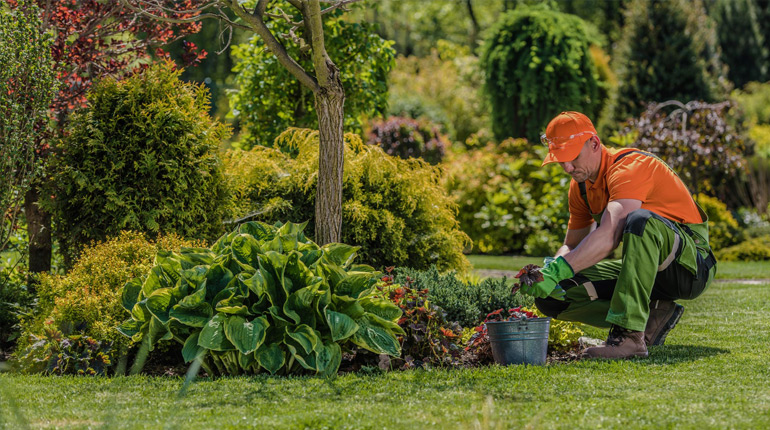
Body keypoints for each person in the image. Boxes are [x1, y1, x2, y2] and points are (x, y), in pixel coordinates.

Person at [519, 111, 717, 359]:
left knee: (639, 220)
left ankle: (630, 336)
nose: (567, 167)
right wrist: (548, 273)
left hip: (690, 268)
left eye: (572, 157)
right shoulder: (580, 186)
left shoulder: (629, 168)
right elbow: (572, 245)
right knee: (553, 298)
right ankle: (654, 316)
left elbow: (610, 234)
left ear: (593, 143)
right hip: (644, 270)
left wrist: (559, 270)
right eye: (560, 160)